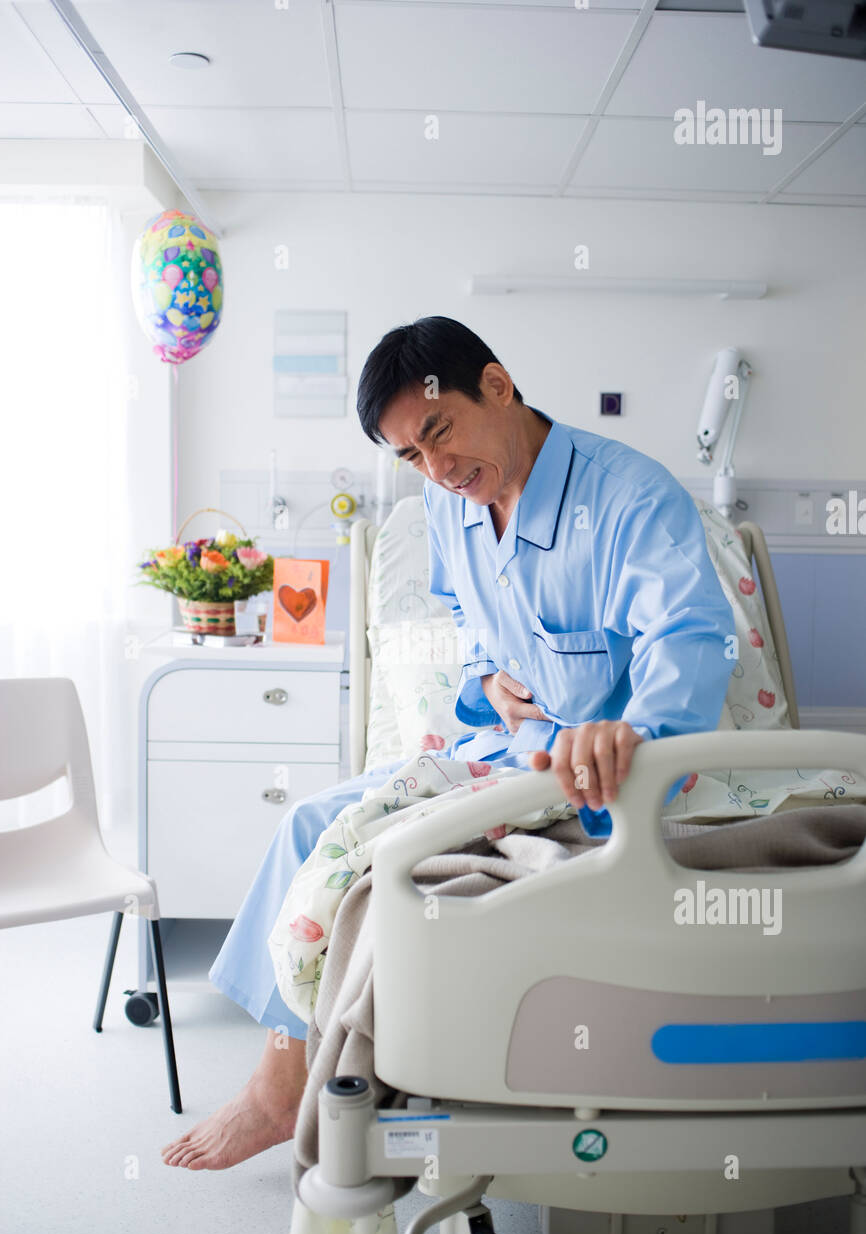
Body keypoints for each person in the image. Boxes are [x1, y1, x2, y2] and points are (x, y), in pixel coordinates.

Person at [161, 316, 733, 1171]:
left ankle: (287, 1094)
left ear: (497, 387)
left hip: (615, 776)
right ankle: (279, 1091)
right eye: (410, 457)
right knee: (313, 827)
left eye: (439, 432)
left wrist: (635, 733)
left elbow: (686, 638)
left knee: (383, 851)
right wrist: (488, 680)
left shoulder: (632, 498)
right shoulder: (445, 501)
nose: (437, 471)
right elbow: (466, 614)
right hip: (507, 753)